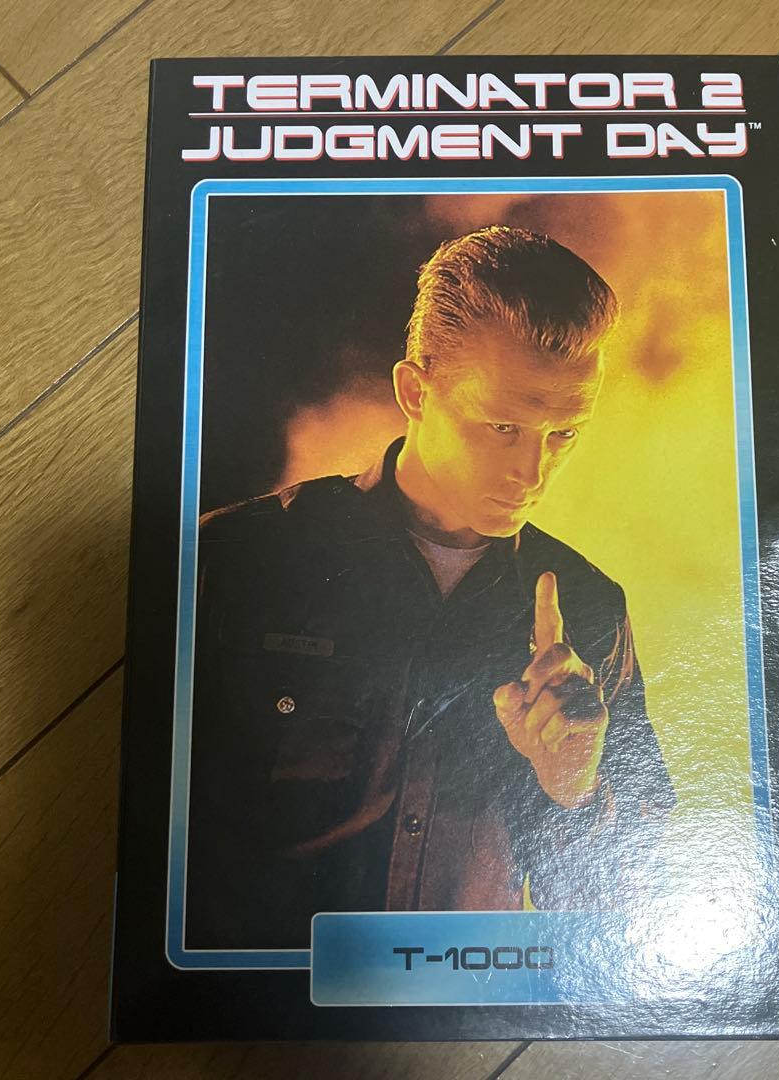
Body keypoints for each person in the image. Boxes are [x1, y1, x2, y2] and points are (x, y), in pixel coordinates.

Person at [186, 226, 675, 949]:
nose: (533, 472)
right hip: (255, 992)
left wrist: (574, 788)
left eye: (564, 434)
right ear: (415, 391)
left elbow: (631, 912)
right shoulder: (238, 557)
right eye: (503, 425)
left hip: (464, 1000)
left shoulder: (591, 608)